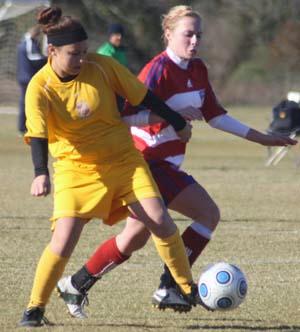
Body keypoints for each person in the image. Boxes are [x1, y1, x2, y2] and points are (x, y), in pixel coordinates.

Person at [56, 5, 298, 319]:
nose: (195, 40)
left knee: (133, 238)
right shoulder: (157, 70)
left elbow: (216, 116)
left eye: (199, 34)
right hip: (147, 163)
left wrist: (262, 138)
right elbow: (123, 115)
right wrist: (162, 116)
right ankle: (170, 285)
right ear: (168, 34)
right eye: (188, 34)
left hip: (167, 164)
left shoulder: (197, 69)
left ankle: (76, 283)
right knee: (207, 213)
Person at [19, 6, 198, 328]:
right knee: (62, 241)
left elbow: (144, 96)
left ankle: (187, 287)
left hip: (124, 162)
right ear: (52, 51)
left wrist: (176, 122)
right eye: (74, 54)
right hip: (77, 169)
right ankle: (34, 309)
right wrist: (40, 174)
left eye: (85, 52)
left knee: (160, 220)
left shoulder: (102, 66)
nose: (82, 59)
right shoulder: (40, 87)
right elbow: (38, 134)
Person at [16, 25, 47, 135]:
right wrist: (48, 59)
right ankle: (23, 127)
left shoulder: (25, 42)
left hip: (25, 77)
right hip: (27, 78)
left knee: (26, 103)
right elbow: (33, 58)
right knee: (28, 103)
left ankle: (24, 127)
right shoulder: (28, 43)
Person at [97, 23, 128, 111]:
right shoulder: (105, 51)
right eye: (116, 35)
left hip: (120, 89)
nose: (120, 37)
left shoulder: (121, 51)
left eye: (121, 35)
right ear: (110, 36)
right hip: (108, 90)